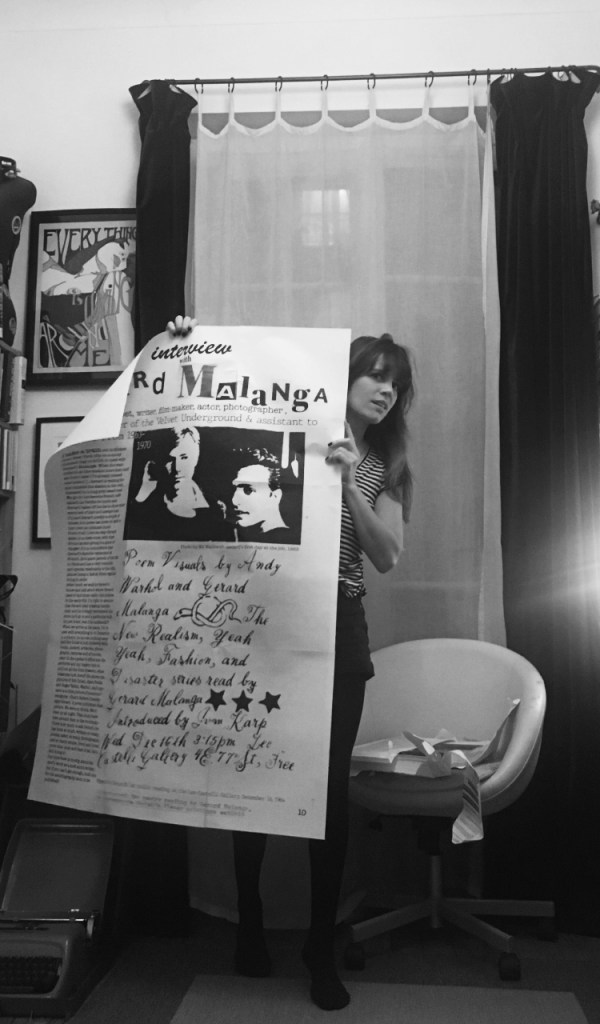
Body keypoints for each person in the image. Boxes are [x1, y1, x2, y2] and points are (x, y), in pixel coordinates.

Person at [169, 317, 414, 1012]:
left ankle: (318, 947)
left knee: (326, 795)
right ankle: (249, 920)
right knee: (252, 776)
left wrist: (348, 483)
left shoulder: (384, 466)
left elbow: (387, 555)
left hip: (340, 620)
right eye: (375, 376)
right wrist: (185, 348)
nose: (386, 392)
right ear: (345, 375)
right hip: (264, 619)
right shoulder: (282, 435)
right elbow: (210, 423)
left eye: (397, 386)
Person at [124, 424, 234, 541]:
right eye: (170, 459)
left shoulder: (215, 509)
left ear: (195, 458)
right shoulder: (150, 504)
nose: (177, 468)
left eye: (184, 457)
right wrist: (143, 493)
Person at [231, 447, 292, 543]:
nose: (234, 501)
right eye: (234, 490)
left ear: (275, 496)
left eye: (248, 490)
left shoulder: (289, 540)